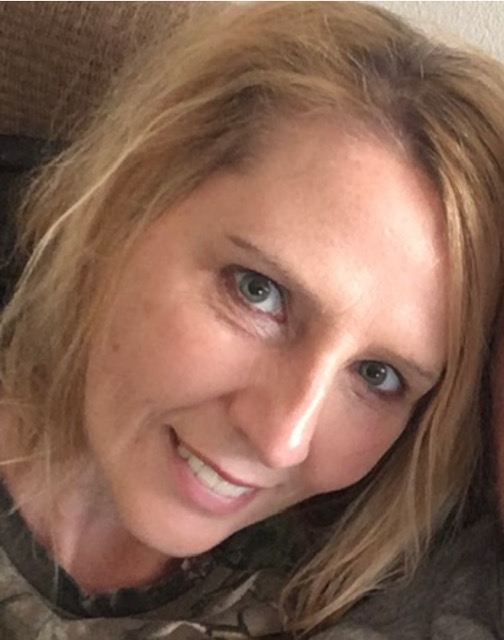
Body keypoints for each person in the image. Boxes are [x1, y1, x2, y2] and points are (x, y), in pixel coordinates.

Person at [1, 2, 504, 638]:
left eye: (377, 375)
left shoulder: (342, 595)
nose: (281, 439)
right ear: (130, 196)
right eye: (258, 292)